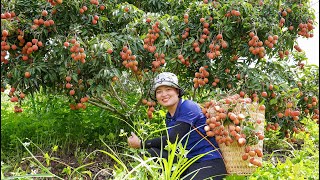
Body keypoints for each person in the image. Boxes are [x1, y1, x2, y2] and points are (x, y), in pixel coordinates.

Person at [128, 72, 227, 180]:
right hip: (187, 161)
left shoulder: (188, 106)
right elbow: (173, 146)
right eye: (159, 91)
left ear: (177, 91)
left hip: (209, 161)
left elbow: (172, 139)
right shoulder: (169, 117)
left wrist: (141, 143)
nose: (163, 94)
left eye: (168, 89)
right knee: (150, 153)